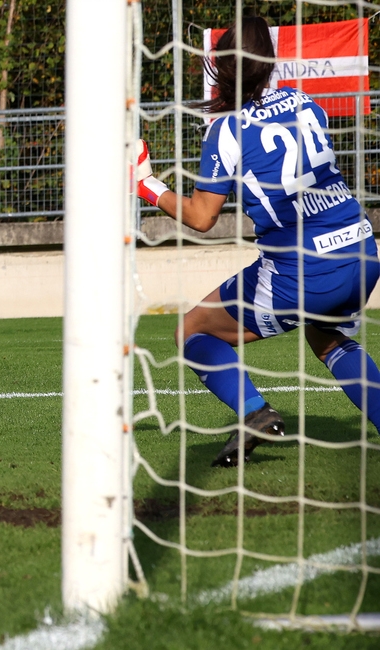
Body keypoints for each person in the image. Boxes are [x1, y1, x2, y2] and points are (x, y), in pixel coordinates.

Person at [135, 16, 380, 467]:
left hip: (303, 268)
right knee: (328, 337)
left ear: (221, 65)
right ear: (268, 63)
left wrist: (145, 184)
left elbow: (202, 217)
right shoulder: (307, 103)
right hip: (362, 249)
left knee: (191, 330)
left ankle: (253, 412)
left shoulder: (226, 129)